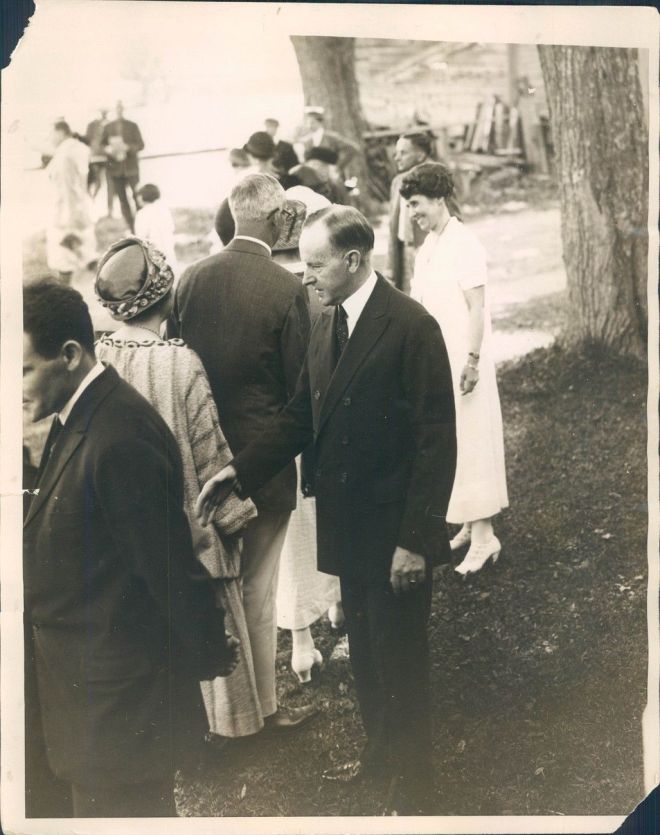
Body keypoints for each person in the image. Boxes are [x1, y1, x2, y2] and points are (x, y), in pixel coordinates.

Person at [197, 205, 457, 814]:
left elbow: (436, 442)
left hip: (394, 532)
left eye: (313, 264)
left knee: (400, 656)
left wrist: (415, 540)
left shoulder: (412, 326)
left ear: (352, 259)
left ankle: (416, 787)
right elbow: (300, 414)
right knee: (365, 649)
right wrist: (239, 470)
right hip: (350, 528)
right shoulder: (325, 319)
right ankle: (381, 755)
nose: (303, 275)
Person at [22, 280, 239, 817]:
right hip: (85, 697)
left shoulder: (120, 437)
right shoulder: (80, 414)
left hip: (116, 708)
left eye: (22, 369)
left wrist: (207, 650)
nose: (12, 385)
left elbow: (166, 568)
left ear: (70, 355)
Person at [94, 237, 262, 743]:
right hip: (187, 512)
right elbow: (210, 449)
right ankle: (229, 727)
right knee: (206, 590)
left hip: (121, 522)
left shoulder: (99, 354)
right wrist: (231, 518)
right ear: (166, 299)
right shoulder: (180, 362)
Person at [168, 173, 317, 732]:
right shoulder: (285, 289)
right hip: (263, 464)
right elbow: (301, 386)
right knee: (257, 590)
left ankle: (220, 714)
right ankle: (265, 712)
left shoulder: (191, 279)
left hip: (200, 457)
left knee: (214, 585)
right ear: (278, 220)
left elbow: (179, 361)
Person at [400, 162, 508, 574]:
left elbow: (478, 307)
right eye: (409, 206)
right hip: (437, 361)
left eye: (416, 203)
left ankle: (485, 538)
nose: (412, 212)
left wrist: (473, 360)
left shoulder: (464, 243)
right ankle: (468, 522)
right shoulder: (428, 247)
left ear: (439, 199)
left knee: (473, 441)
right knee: (453, 442)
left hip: (465, 360)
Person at [270, 191, 343, 684]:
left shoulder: (267, 291)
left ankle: (302, 642)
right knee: (331, 519)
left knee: (297, 532)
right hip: (322, 425)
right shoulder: (323, 296)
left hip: (284, 429)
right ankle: (341, 611)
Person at [387, 132, 461, 295]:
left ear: (420, 155)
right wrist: (391, 265)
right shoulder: (398, 182)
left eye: (403, 153)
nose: (397, 158)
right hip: (406, 252)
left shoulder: (436, 177)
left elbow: (454, 218)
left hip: (431, 252)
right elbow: (393, 227)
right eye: (396, 153)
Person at [45, 121, 96, 281]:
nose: (50, 139)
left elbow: (67, 189)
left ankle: (65, 303)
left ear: (60, 132)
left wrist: (68, 220)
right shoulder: (79, 149)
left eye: (51, 134)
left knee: (64, 261)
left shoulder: (65, 155)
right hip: (81, 208)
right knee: (86, 256)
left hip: (67, 214)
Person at [101, 100, 144, 232]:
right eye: (116, 108)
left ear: (123, 109)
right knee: (122, 200)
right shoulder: (108, 127)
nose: (119, 110)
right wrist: (108, 149)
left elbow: (141, 145)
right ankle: (132, 228)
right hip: (115, 170)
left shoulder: (132, 126)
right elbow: (102, 145)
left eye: (120, 108)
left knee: (138, 198)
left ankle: (142, 225)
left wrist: (128, 147)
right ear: (113, 110)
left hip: (131, 169)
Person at [299, 106, 361, 180]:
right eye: (307, 122)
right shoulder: (305, 140)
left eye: (312, 122)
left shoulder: (332, 138)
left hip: (331, 176)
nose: (309, 125)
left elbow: (353, 148)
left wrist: (338, 166)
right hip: (312, 178)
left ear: (320, 122)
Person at [135, 183, 177, 272]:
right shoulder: (165, 210)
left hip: (154, 256)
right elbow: (172, 229)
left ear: (142, 196)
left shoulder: (142, 213)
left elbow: (140, 237)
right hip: (169, 254)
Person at [84, 107, 113, 211]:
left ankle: (94, 200)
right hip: (96, 157)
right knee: (97, 181)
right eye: (102, 112)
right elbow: (87, 139)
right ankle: (92, 199)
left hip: (105, 157)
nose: (103, 114)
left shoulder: (109, 124)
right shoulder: (92, 125)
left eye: (105, 112)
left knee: (101, 182)